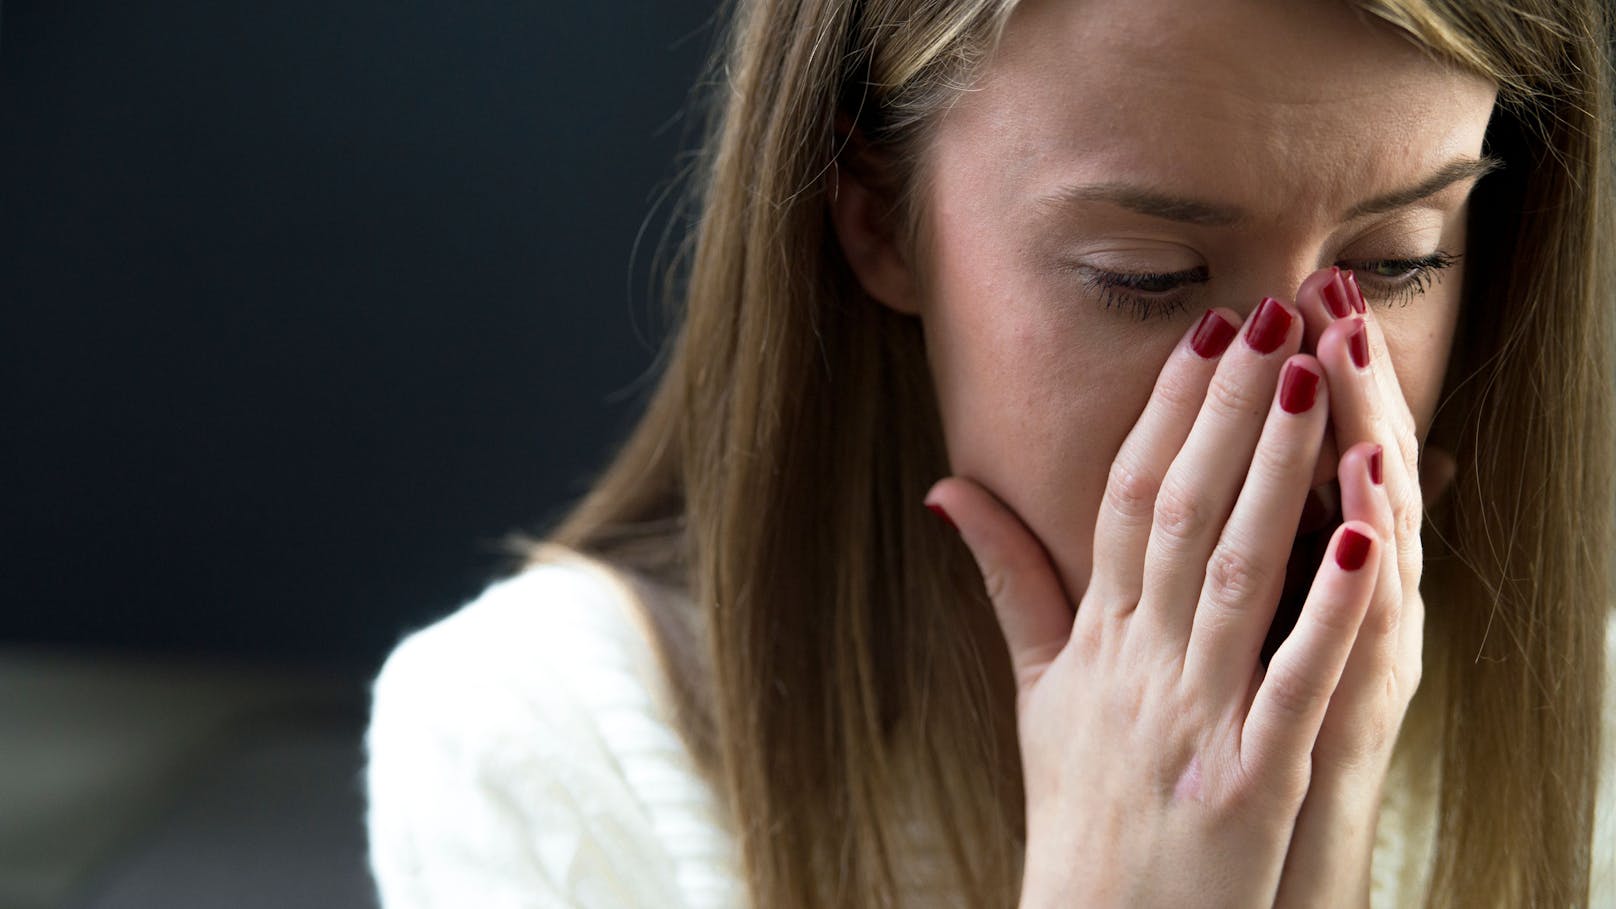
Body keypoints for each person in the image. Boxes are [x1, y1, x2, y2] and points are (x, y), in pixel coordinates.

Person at [364, 0, 1616, 905]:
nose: (1288, 417)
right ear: (872, 218)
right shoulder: (539, 748)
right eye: (1148, 277)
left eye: (1396, 259)